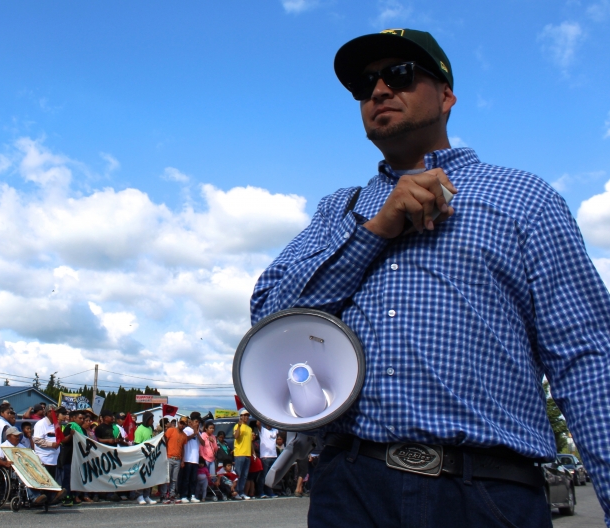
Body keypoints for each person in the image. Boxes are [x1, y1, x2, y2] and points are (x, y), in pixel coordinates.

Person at [250, 27, 610, 527]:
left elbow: (587, 359)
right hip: (351, 488)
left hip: (487, 494)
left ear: (446, 95)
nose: (378, 91)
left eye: (398, 74)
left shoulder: (526, 199)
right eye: (365, 84)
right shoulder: (341, 209)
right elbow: (267, 318)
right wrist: (375, 232)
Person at [0, 427, 66, 506]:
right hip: (13, 470)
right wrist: (5, 463)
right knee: (26, 476)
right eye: (15, 436)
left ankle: (53, 494)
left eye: (18, 436)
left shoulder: (22, 446)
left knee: (42, 473)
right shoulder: (3, 446)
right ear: (8, 437)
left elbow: (31, 456)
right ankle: (35, 497)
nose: (18, 438)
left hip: (27, 467)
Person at [179, 416, 204, 503]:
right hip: (187, 458)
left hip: (195, 459)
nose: (197, 424)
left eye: (198, 422)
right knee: (186, 479)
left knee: (193, 479)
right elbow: (184, 439)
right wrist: (194, 434)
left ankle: (192, 495)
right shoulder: (187, 430)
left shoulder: (198, 433)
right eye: (196, 421)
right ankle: (184, 495)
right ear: (191, 422)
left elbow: (203, 443)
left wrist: (197, 433)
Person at [161, 416, 186, 502]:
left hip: (177, 459)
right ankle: (164, 495)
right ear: (178, 422)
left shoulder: (184, 435)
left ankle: (172, 494)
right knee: (167, 477)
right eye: (181, 423)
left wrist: (182, 460)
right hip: (169, 457)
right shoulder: (171, 430)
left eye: (184, 424)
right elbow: (165, 440)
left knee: (174, 478)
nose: (182, 425)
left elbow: (182, 448)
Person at [32, 404, 60, 480]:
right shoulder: (40, 424)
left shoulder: (56, 424)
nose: (57, 414)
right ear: (48, 413)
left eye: (57, 412)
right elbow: (37, 440)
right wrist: (51, 444)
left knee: (52, 482)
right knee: (45, 482)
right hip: (44, 460)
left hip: (54, 459)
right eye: (55, 412)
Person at [231, 409, 253, 499]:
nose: (246, 417)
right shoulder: (237, 426)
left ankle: (241, 492)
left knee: (244, 475)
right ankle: (236, 492)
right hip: (239, 454)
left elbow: (250, 442)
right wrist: (239, 426)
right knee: (238, 474)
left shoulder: (249, 428)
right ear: (241, 416)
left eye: (247, 416)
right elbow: (236, 437)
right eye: (244, 415)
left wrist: (253, 453)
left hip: (248, 454)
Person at [256, 421, 279, 498]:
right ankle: (261, 492)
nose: (269, 425)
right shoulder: (263, 430)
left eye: (270, 423)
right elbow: (258, 423)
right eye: (268, 423)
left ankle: (269, 491)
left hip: (273, 456)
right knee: (263, 476)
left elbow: (282, 430)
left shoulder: (275, 431)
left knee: (271, 476)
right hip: (265, 457)